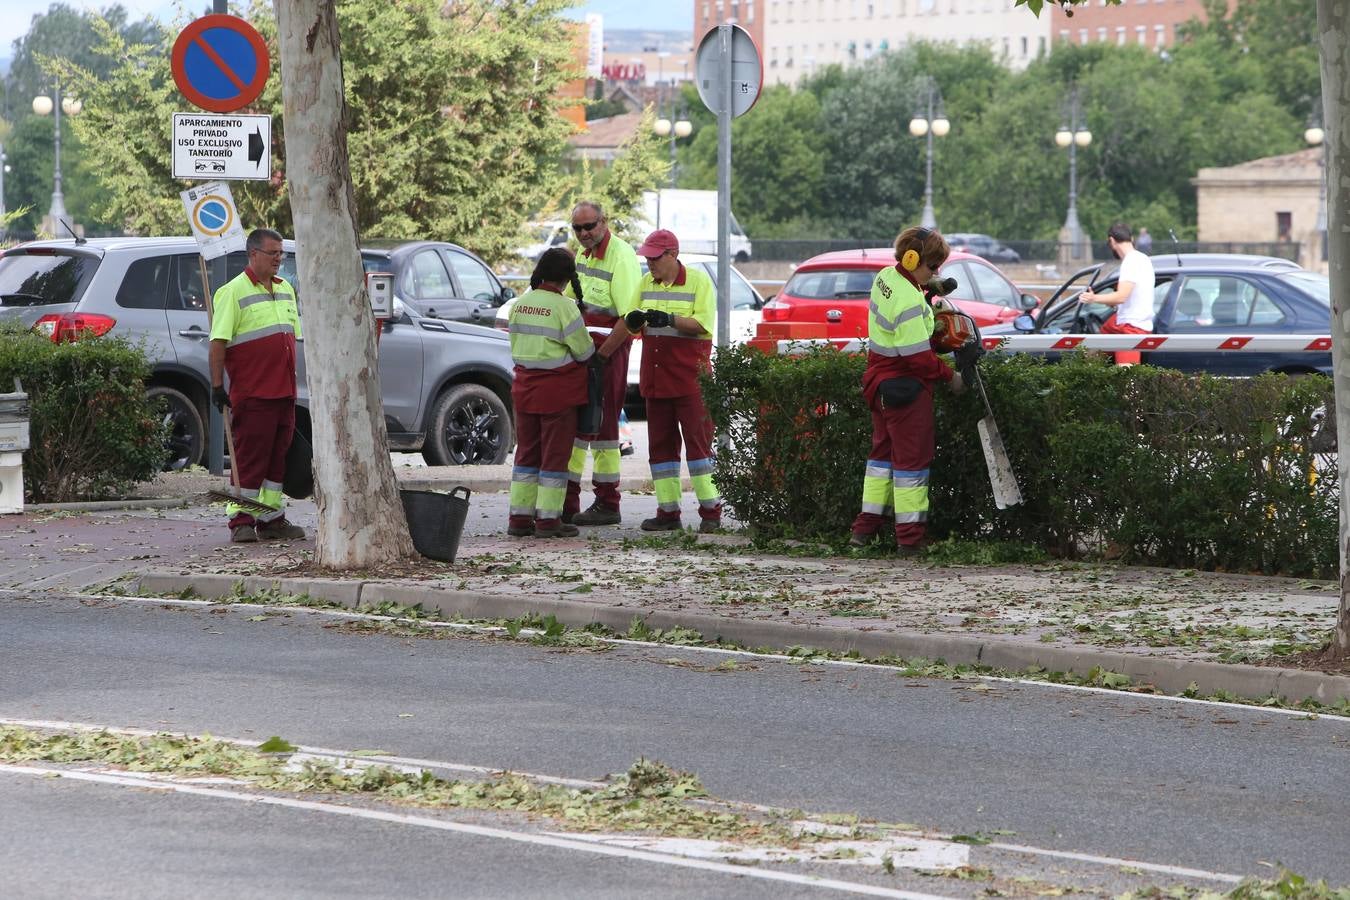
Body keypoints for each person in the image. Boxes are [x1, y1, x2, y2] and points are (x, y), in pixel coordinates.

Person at [849, 226, 963, 555]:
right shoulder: (910, 301)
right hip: (905, 390)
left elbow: (905, 291)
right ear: (914, 260)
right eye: (933, 267)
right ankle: (910, 540)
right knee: (912, 464)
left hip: (878, 383)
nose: (936, 272)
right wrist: (951, 377)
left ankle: (864, 530)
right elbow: (919, 359)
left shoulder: (887, 276)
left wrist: (928, 287)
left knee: (881, 458)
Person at [209, 228, 306, 544]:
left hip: (284, 392)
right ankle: (241, 520)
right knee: (250, 459)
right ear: (253, 254)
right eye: (273, 253)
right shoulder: (232, 292)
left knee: (277, 460)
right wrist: (216, 386)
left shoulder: (285, 289)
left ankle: (271, 518)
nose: (279, 259)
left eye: (281, 253)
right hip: (254, 394)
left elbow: (291, 336)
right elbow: (218, 343)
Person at [625, 229, 721, 533]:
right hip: (656, 379)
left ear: (673, 255)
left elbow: (702, 324)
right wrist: (633, 321)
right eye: (647, 257)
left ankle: (711, 512)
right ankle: (668, 512)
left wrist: (668, 319)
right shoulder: (644, 282)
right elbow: (631, 318)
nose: (650, 263)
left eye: (655, 258)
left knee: (699, 449)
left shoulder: (698, 282)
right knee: (661, 450)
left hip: (691, 380)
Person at [506, 248, 598, 539]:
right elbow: (585, 353)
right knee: (555, 458)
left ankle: (519, 519)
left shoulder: (520, 304)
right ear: (567, 278)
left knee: (526, 456)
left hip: (524, 389)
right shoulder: (565, 307)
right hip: (558, 393)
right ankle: (548, 521)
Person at [563, 201, 642, 527]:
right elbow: (570, 301)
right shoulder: (583, 255)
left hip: (607, 354)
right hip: (586, 354)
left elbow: (630, 319)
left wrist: (602, 356)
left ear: (603, 222)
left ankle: (608, 501)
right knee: (578, 427)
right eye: (577, 229)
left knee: (606, 427)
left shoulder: (620, 256)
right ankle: (567, 500)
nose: (583, 234)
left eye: (589, 227)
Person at [1081, 223, 1155, 366]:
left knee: (1127, 379)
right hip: (1124, 321)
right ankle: (1091, 372)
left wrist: (1093, 298)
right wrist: (1109, 300)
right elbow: (1129, 296)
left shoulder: (1130, 262)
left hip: (1131, 326)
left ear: (1112, 241)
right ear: (1132, 238)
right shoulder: (1143, 258)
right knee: (1095, 350)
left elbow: (1121, 296)